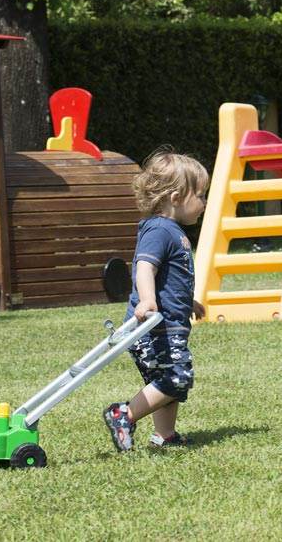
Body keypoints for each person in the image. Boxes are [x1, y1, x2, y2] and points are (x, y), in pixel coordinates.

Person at [103, 149, 209, 450]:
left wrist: (188, 301)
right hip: (153, 328)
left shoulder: (171, 230)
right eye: (200, 195)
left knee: (166, 380)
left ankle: (165, 434)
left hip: (167, 324)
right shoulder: (160, 230)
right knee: (176, 378)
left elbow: (169, 278)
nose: (203, 202)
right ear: (175, 198)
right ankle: (123, 413)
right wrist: (148, 300)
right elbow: (145, 267)